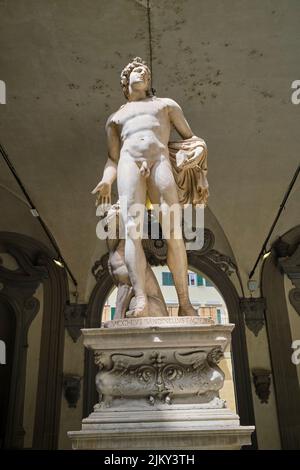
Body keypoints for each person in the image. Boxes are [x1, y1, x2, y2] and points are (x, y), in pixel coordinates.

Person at [92, 57, 206, 317]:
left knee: (173, 230)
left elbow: (192, 139)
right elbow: (113, 157)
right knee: (132, 230)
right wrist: (106, 180)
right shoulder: (116, 118)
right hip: (129, 164)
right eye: (137, 70)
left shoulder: (165, 105)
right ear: (126, 80)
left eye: (146, 72)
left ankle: (185, 304)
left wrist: (195, 153)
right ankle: (141, 299)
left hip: (160, 160)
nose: (143, 73)